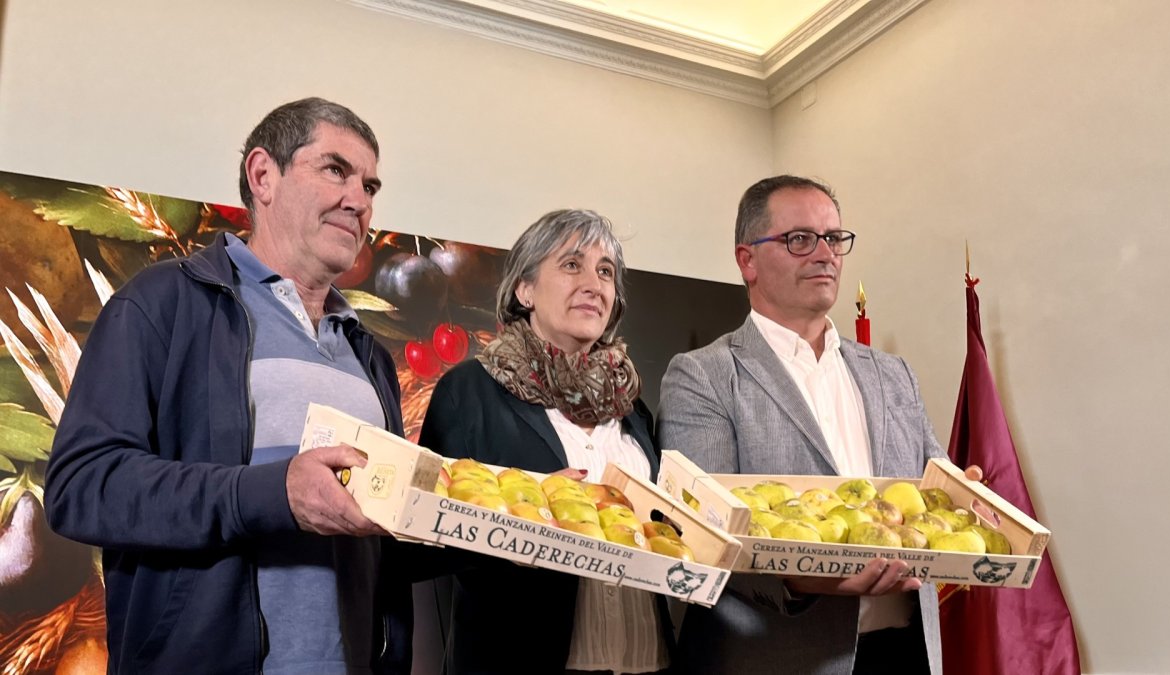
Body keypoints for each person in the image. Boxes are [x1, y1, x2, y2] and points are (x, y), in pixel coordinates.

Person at [44, 98, 415, 674]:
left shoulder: (369, 355)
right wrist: (272, 494)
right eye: (336, 171)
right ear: (263, 176)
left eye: (371, 186)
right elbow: (82, 487)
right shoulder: (160, 303)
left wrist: (504, 530)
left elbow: (377, 537)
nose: (360, 201)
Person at [658, 175, 946, 675]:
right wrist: (811, 579)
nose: (825, 254)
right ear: (747, 260)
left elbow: (934, 490)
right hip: (778, 655)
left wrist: (965, 493)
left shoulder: (893, 373)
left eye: (834, 238)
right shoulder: (702, 375)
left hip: (906, 651)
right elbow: (701, 533)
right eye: (800, 239)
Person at [419, 209, 673, 675]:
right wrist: (526, 519)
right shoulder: (469, 393)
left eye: (605, 272)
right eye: (572, 265)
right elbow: (422, 540)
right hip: (521, 659)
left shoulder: (632, 407)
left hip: (647, 661)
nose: (594, 283)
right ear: (525, 289)